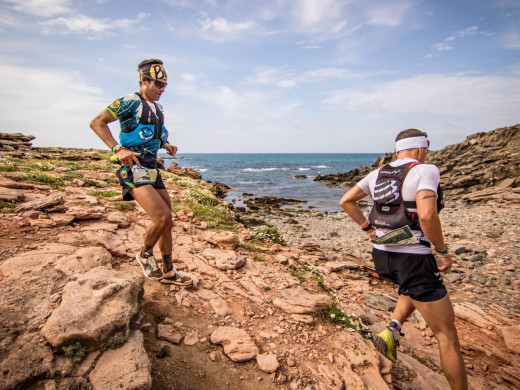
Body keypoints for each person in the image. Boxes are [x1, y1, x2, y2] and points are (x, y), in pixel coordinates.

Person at [340, 129, 467, 390]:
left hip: (382, 255)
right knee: (446, 335)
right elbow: (428, 215)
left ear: (399, 150)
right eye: (426, 149)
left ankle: (392, 331)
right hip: (413, 258)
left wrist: (367, 228)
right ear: (421, 149)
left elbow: (347, 200)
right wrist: (441, 251)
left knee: (411, 287)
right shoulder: (425, 169)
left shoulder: (378, 173)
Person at [90, 58, 192, 286]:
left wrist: (166, 144)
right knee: (162, 217)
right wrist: (117, 149)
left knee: (168, 220)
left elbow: (158, 132)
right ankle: (145, 255)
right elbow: (97, 122)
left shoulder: (158, 108)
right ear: (144, 81)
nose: (162, 89)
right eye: (158, 84)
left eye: (165, 85)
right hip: (133, 168)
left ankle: (168, 270)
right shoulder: (128, 102)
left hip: (151, 168)